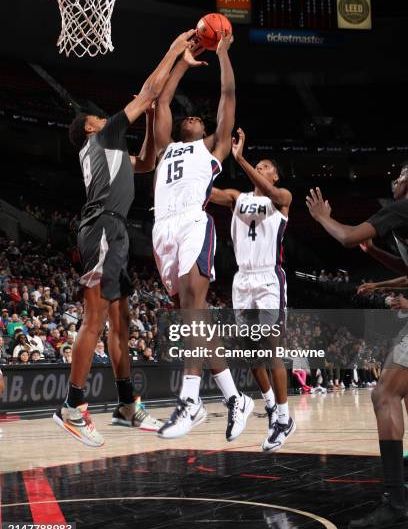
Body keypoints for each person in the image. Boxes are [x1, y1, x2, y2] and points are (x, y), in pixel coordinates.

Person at [53, 30, 195, 447]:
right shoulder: (102, 136)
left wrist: (152, 118)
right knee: (94, 320)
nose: (106, 115)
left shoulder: (109, 150)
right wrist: (175, 51)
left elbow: (149, 160)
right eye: (99, 115)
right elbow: (150, 89)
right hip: (101, 227)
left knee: (121, 323)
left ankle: (127, 403)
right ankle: (72, 406)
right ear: (91, 127)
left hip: (115, 231)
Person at [153, 36, 253, 440]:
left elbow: (228, 96)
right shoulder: (164, 149)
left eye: (200, 118)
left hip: (194, 224)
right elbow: (160, 102)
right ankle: (234, 398)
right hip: (163, 229)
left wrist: (224, 52)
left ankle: (190, 399)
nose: (194, 118)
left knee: (194, 309)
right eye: (189, 118)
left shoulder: (211, 149)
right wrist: (183, 61)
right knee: (191, 320)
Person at [306, 163, 408, 529]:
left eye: (401, 174)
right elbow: (405, 268)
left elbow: (347, 237)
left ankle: (395, 503)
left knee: (384, 395)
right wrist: (378, 261)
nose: (395, 178)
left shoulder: (402, 206)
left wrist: (323, 219)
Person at [210, 126, 295, 451]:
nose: (259, 170)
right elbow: (206, 192)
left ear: (274, 177)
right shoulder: (237, 198)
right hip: (242, 280)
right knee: (251, 354)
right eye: (256, 167)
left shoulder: (282, 198)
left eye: (265, 168)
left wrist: (241, 158)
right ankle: (272, 407)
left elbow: (275, 194)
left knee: (272, 348)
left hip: (269, 278)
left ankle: (285, 417)